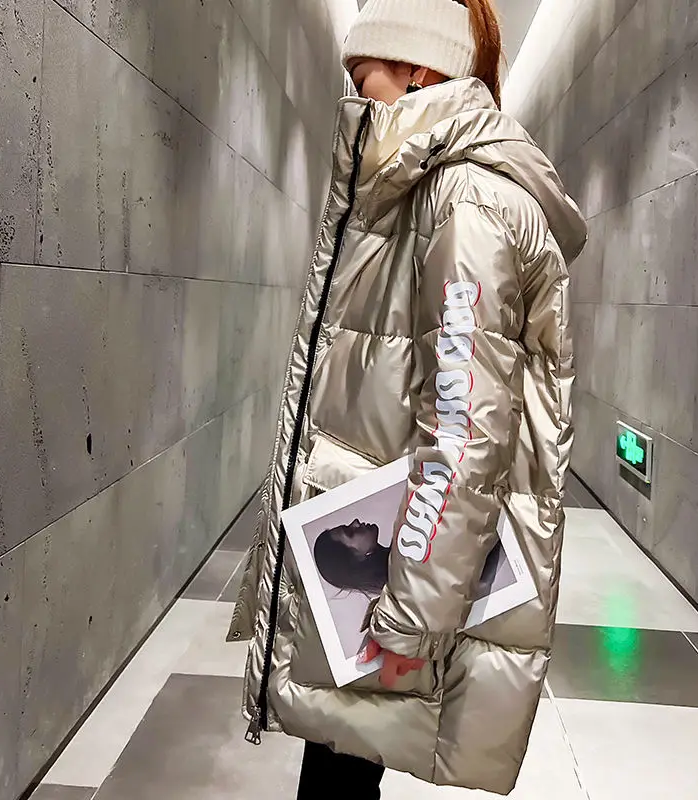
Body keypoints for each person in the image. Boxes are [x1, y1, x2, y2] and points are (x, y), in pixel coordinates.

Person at [227, 0, 587, 797]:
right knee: (341, 765)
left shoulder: (466, 202)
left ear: (420, 72)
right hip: (377, 558)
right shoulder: (428, 193)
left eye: (365, 82)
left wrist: (409, 620)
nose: (354, 103)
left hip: (395, 577)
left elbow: (465, 433)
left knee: (341, 775)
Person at [314, 518, 502, 599]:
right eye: (349, 532)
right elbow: (477, 578)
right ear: (357, 560)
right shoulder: (404, 571)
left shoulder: (401, 556)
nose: (355, 522)